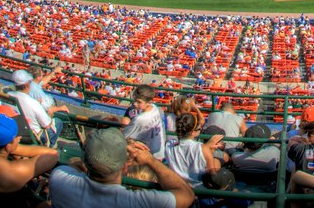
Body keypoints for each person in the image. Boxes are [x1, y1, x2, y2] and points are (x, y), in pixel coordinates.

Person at [50, 127, 195, 207]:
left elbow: (74, 165)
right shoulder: (138, 201)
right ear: (125, 166)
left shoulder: (58, 178)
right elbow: (186, 195)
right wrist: (151, 161)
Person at [0, 113, 58, 208]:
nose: (19, 138)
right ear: (8, 146)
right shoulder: (14, 171)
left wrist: (8, 145)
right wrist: (14, 148)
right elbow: (53, 154)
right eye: (16, 136)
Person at [165, 113, 223, 185]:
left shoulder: (169, 145)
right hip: (198, 188)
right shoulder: (203, 148)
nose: (200, 130)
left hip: (177, 186)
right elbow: (212, 175)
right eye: (199, 129)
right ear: (193, 133)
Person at [11, 69, 60, 146]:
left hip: (15, 130)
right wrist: (49, 114)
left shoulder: (7, 95)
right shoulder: (33, 103)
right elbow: (47, 125)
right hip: (32, 136)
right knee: (58, 122)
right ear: (27, 85)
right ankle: (47, 149)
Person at [123, 84, 167, 159]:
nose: (135, 104)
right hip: (159, 151)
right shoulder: (155, 107)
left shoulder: (140, 119)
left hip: (149, 155)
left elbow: (123, 137)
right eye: (135, 100)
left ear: (149, 102)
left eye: (139, 102)